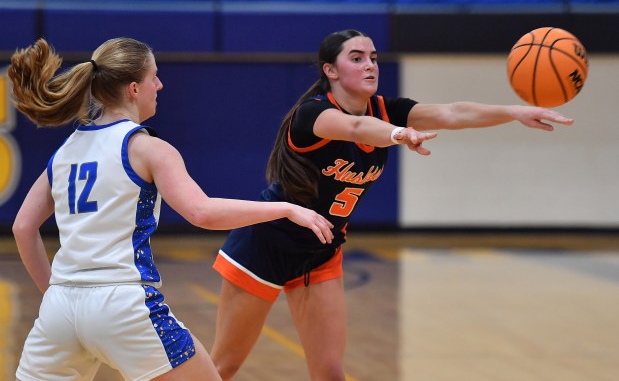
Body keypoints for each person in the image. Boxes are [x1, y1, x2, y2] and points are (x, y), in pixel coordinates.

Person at [209, 29, 575, 380]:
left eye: (373, 57)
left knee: (331, 374)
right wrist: (398, 134)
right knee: (223, 368)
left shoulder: (387, 109)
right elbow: (354, 129)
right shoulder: (313, 113)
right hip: (266, 243)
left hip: (320, 251)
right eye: (357, 58)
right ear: (330, 71)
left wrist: (512, 111)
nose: (370, 65)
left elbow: (452, 113)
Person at [8, 37, 334, 381]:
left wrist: (56, 294)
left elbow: (23, 227)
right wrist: (284, 208)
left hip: (59, 309)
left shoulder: (64, 152)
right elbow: (202, 212)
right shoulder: (147, 147)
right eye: (154, 77)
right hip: (121, 304)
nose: (160, 85)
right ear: (134, 89)